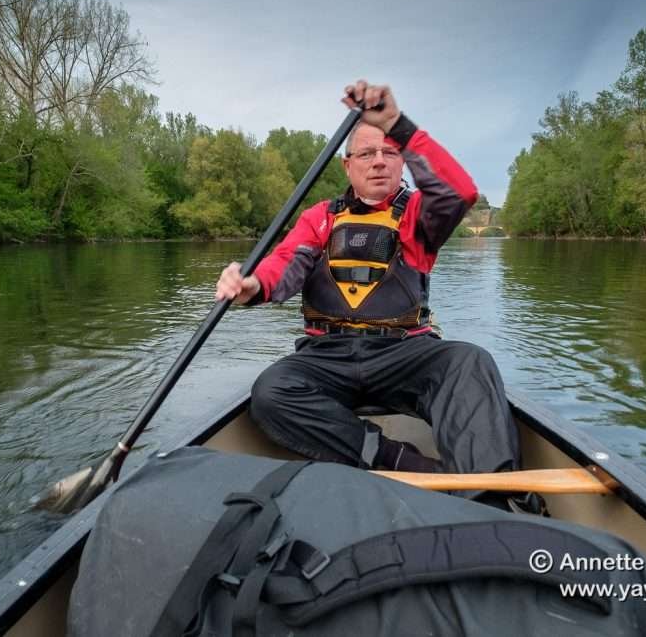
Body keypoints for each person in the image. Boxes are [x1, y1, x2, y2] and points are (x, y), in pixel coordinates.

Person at [214, 80, 523, 503]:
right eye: (366, 153)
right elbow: (284, 265)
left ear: (401, 161)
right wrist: (251, 286)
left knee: (470, 362)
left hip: (402, 356)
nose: (379, 162)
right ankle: (395, 460)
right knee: (270, 392)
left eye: (389, 152)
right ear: (347, 166)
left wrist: (398, 125)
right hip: (328, 359)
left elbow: (459, 192)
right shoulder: (320, 218)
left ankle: (490, 495)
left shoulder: (417, 216)